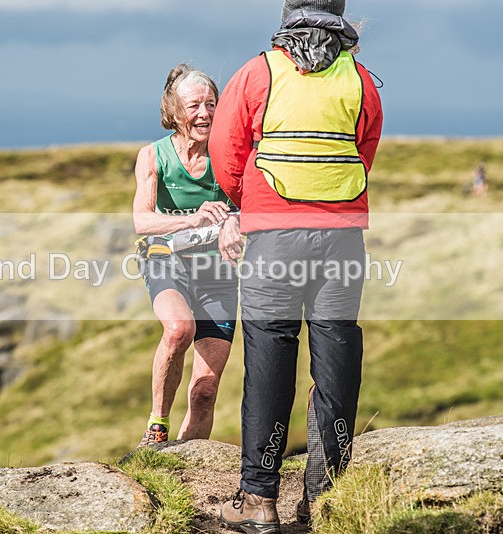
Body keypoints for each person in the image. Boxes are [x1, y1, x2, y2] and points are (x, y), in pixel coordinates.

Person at [210, 1, 383, 532]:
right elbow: (365, 149)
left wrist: (253, 202)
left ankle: (260, 498)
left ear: (288, 14)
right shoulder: (361, 80)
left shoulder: (258, 72)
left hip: (273, 238)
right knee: (335, 352)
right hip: (342, 238)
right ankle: (325, 497)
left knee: (269, 354)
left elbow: (225, 150)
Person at [133, 65, 238, 447]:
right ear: (174, 111)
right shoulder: (153, 156)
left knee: (205, 391)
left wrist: (232, 225)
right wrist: (194, 220)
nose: (205, 113)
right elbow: (141, 221)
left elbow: (252, 207)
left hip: (217, 271)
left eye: (211, 104)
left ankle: (184, 470)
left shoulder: (228, 157)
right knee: (179, 329)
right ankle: (156, 426)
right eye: (194, 105)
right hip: (166, 261)